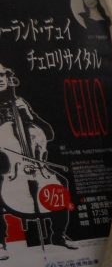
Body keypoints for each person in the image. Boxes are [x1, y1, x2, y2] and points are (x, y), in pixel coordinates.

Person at [0, 63, 74, 254]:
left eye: (2, 75)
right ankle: (1, 242)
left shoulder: (19, 102)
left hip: (32, 162)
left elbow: (48, 134)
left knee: (61, 184)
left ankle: (58, 236)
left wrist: (29, 115)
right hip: (5, 165)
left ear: (8, 77)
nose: (0, 79)